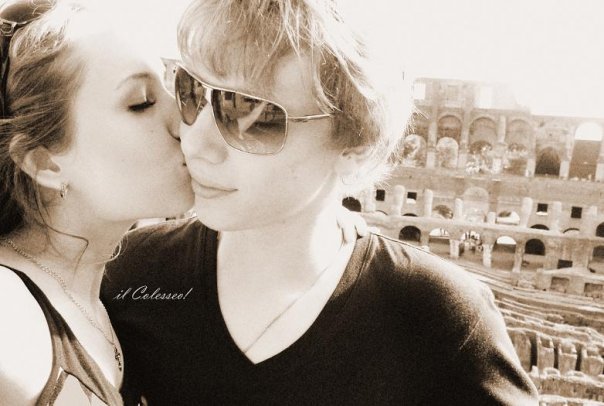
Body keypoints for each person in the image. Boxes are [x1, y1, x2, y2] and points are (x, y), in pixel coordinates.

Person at [102, 0, 540, 404]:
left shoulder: (437, 317)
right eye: (192, 92)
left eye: (253, 114)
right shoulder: (128, 274)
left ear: (355, 146)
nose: (196, 142)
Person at [0, 0, 194, 404]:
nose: (185, 122)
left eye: (174, 86)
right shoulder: (9, 314)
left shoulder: (118, 294)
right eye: (141, 102)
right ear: (45, 163)